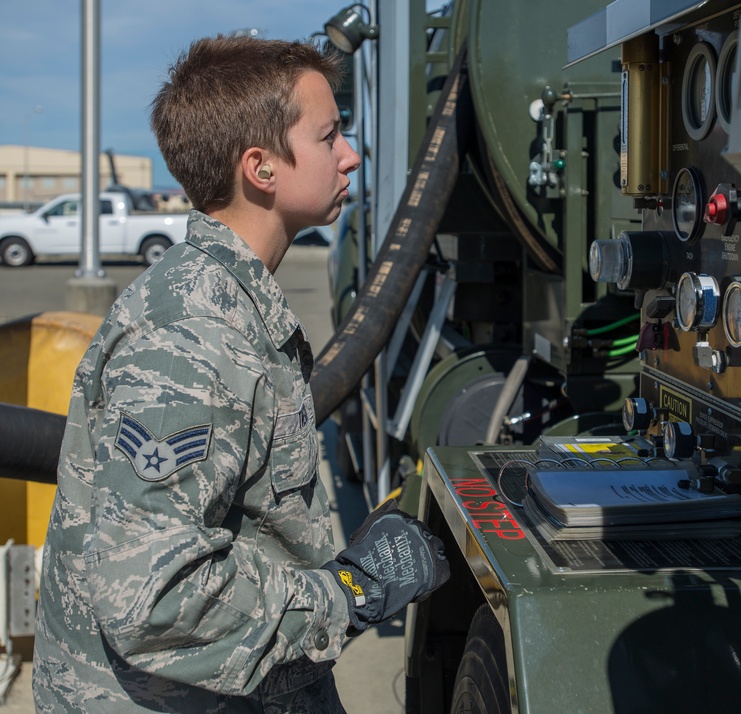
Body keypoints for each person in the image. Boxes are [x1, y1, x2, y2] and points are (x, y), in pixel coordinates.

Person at [32, 35, 449, 713]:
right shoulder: (192, 337)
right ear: (261, 169)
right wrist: (348, 593)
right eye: (328, 135)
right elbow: (153, 599)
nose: (351, 155)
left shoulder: (226, 303)